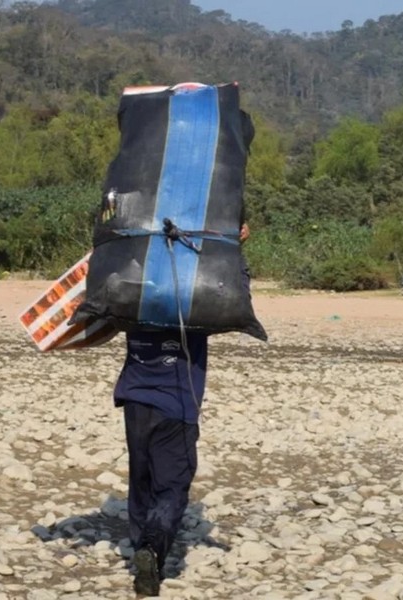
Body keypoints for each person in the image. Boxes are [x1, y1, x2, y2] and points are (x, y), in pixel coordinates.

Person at [118, 222, 250, 596]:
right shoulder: (196, 300)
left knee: (140, 480)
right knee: (173, 486)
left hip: (134, 398)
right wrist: (232, 252)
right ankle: (151, 550)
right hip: (175, 404)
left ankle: (140, 549)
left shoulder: (136, 290)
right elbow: (235, 298)